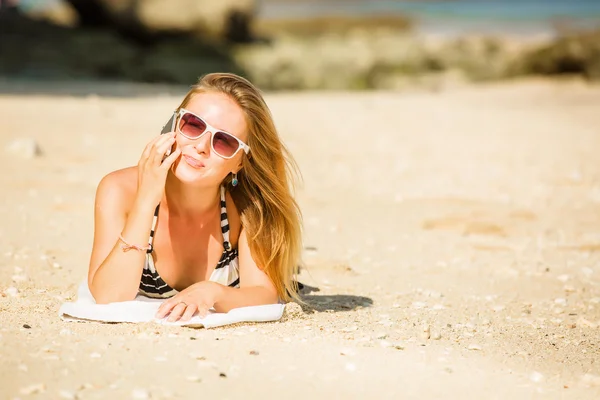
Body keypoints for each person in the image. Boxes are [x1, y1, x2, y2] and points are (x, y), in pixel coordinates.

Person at [87, 72, 302, 322]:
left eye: (224, 141)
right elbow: (107, 295)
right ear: (173, 124)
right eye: (194, 124)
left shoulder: (248, 206)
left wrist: (212, 292)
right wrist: (146, 200)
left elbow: (264, 294)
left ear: (241, 162)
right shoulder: (120, 190)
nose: (201, 146)